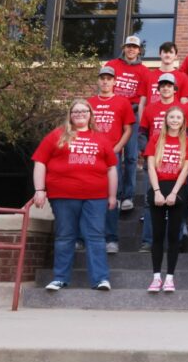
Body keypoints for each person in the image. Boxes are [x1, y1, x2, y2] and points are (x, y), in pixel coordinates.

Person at [33, 99, 118, 292]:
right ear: (70, 115)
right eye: (76, 111)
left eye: (84, 111)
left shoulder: (101, 138)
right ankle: (60, 278)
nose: (80, 114)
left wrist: (112, 196)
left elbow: (111, 168)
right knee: (65, 236)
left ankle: (101, 279)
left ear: (90, 115)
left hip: (96, 196)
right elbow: (40, 162)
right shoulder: (57, 135)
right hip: (63, 195)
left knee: (96, 236)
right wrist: (39, 189)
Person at [144, 106, 188, 293]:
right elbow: (150, 167)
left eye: (178, 118)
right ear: (166, 120)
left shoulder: (187, 141)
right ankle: (156, 277)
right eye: (171, 117)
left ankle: (170, 278)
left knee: (173, 236)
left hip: (177, 190)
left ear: (183, 121)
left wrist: (174, 193)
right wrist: (157, 191)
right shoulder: (156, 139)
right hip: (158, 188)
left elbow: (186, 169)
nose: (175, 120)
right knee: (157, 236)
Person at [88, 65, 134, 254]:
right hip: (91, 154)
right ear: (98, 81)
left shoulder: (122, 102)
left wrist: (117, 148)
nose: (105, 81)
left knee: (111, 197)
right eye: (102, 78)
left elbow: (128, 129)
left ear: (115, 81)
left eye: (109, 78)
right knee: (87, 196)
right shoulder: (89, 103)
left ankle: (111, 239)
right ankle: (83, 238)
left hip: (111, 155)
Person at [105, 35, 150, 212]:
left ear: (139, 50)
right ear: (124, 48)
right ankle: (116, 193)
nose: (131, 49)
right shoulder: (112, 65)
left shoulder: (144, 71)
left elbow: (144, 97)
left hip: (133, 113)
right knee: (114, 155)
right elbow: (105, 85)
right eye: (128, 46)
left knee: (131, 156)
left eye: (134, 47)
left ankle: (128, 196)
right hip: (114, 113)